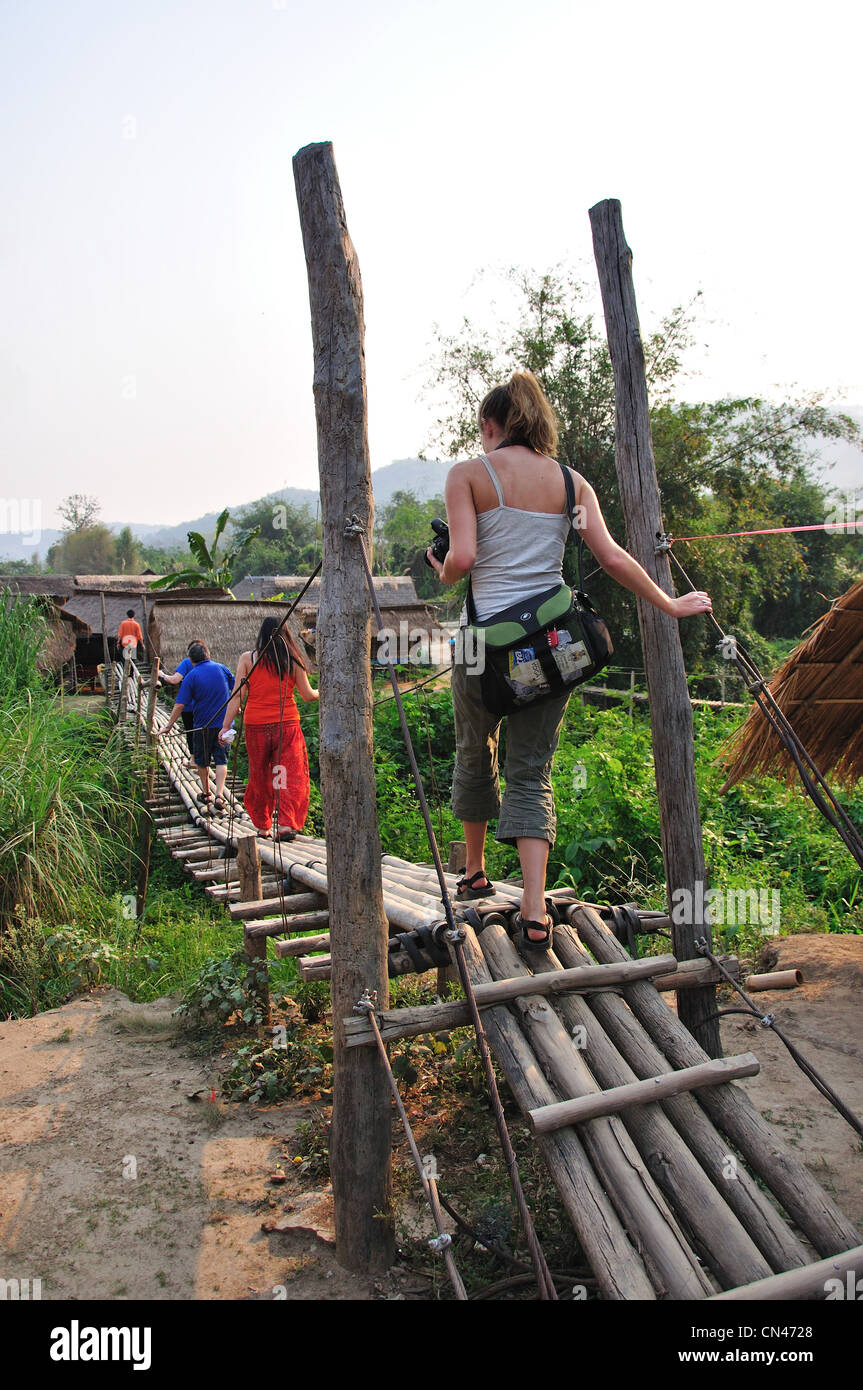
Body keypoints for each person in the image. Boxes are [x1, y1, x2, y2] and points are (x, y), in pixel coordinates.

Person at [427, 370, 712, 950]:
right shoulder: (570, 482)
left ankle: (476, 872)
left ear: (491, 424)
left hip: (485, 651)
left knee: (473, 751)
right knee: (532, 769)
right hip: (554, 652)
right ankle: (534, 906)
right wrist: (669, 603)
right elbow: (609, 557)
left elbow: (463, 559)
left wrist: (441, 567)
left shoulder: (468, 476)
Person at [219, 617, 318, 840]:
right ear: (286, 635)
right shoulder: (293, 659)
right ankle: (284, 824)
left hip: (256, 726)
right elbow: (308, 695)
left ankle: (263, 826)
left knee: (261, 774)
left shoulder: (248, 659)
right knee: (286, 773)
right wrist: (324, 691)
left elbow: (237, 697)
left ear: (261, 635)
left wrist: (225, 727)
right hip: (287, 726)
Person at [160, 642, 235, 812]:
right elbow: (235, 687)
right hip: (224, 724)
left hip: (202, 725)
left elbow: (179, 705)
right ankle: (220, 795)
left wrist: (168, 725)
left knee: (202, 760)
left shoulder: (191, 676)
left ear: (191, 660)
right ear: (208, 654)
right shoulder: (222, 669)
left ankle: (207, 793)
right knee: (222, 759)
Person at [160, 639, 206, 769]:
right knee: (202, 733)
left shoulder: (187, 662)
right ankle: (202, 762)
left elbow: (175, 679)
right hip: (204, 706)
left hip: (189, 705)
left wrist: (162, 675)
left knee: (191, 732)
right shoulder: (209, 665)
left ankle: (194, 760)